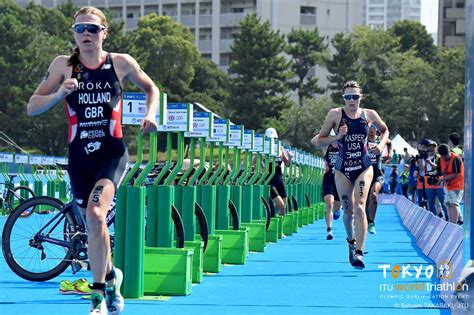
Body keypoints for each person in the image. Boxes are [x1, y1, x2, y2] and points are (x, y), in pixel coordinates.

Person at [27, 6, 159, 314]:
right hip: (79, 157)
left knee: (97, 215)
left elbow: (151, 87)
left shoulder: (120, 63)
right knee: (91, 224)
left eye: (93, 29)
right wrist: (60, 93)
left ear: (104, 33)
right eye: (80, 29)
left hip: (111, 154)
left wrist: (150, 115)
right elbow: (32, 106)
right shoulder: (63, 65)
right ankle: (112, 276)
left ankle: (98, 296)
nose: (86, 34)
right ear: (73, 33)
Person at [315, 80, 389, 269]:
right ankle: (351, 242)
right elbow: (319, 141)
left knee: (360, 207)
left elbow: (385, 130)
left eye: (355, 96)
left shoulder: (369, 114)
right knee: (348, 212)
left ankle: (359, 253)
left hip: (364, 165)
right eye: (348, 97)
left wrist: (380, 146)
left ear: (360, 97)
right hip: (342, 168)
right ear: (343, 98)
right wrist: (337, 137)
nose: (351, 100)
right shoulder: (335, 114)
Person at [311, 132, 341, 240]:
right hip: (328, 178)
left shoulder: (343, 146)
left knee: (337, 207)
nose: (333, 140)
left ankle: (338, 210)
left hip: (341, 179)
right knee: (329, 202)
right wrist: (325, 132)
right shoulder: (326, 147)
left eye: (335, 138)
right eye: (331, 138)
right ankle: (329, 230)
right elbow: (313, 141)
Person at [265, 128, 292, 217]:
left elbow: (287, 164)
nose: (272, 141)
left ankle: (279, 229)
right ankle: (269, 216)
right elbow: (254, 163)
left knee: (284, 208)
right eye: (270, 138)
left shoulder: (280, 148)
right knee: (281, 206)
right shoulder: (263, 148)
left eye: (274, 139)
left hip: (279, 179)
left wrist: (290, 158)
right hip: (269, 180)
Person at [437, 144, 464, 224]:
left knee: (454, 204)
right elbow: (439, 171)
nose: (444, 157)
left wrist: (442, 179)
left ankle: (453, 223)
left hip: (457, 185)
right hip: (448, 186)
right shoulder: (440, 159)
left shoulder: (455, 158)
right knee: (447, 204)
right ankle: (455, 220)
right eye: (442, 156)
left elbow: (455, 174)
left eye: (445, 155)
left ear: (449, 151)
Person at [366, 125, 384, 235]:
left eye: (373, 128)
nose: (371, 130)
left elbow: (389, 142)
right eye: (369, 127)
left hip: (377, 173)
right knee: (364, 201)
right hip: (364, 173)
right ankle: (363, 220)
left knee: (373, 195)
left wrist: (389, 153)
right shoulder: (362, 140)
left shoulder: (380, 141)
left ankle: (371, 222)